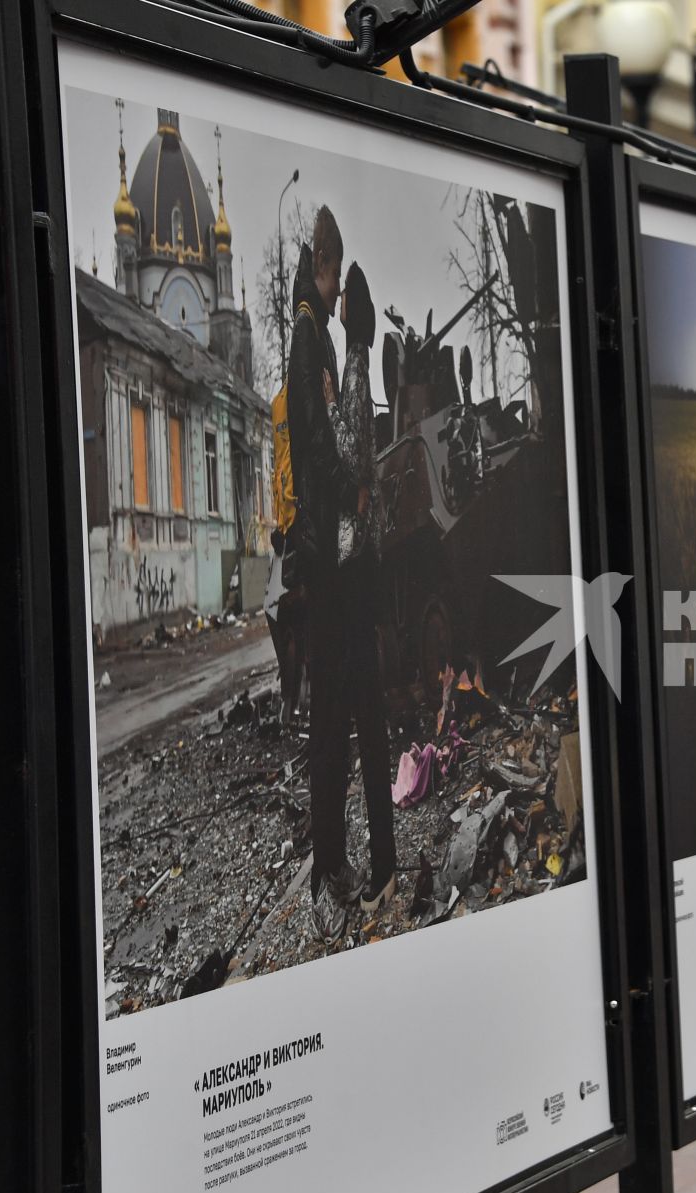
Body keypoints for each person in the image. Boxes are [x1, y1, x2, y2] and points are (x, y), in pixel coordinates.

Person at [286, 206, 359, 940]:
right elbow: (313, 441)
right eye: (335, 276)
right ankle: (327, 865)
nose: (340, 295)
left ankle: (329, 858)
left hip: (322, 549)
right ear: (321, 265)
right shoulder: (309, 336)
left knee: (333, 713)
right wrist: (349, 484)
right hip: (322, 551)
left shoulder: (314, 333)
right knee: (330, 716)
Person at [325, 261, 398, 918]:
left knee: (365, 730)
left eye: (344, 296)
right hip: (364, 576)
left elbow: (347, 456)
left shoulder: (351, 368)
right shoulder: (365, 364)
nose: (338, 303)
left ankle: (382, 869)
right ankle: (383, 863)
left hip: (350, 580)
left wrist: (322, 407)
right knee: (368, 726)